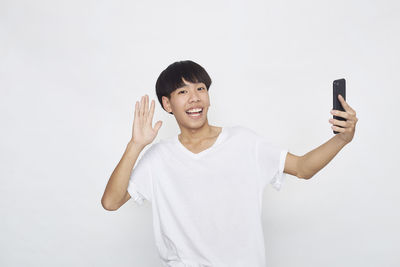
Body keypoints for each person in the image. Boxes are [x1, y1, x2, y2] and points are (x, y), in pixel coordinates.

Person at [101, 60, 358, 267]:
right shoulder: (158, 158)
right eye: (183, 91)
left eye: (200, 89)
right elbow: (111, 202)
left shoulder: (244, 142)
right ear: (167, 104)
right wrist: (135, 145)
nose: (194, 98)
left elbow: (303, 168)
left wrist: (342, 139)